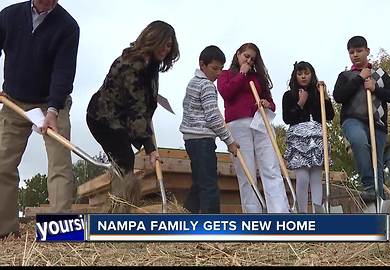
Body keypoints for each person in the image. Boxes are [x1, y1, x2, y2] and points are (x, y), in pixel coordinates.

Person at [0, 0, 79, 239]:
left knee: (59, 164)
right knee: (2, 163)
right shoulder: (9, 15)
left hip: (51, 102)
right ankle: (4, 229)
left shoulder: (68, 26)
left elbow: (63, 72)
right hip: (14, 100)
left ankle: (60, 232)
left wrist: (53, 110)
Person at [87, 20, 179, 175]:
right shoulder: (133, 65)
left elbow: (142, 102)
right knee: (125, 160)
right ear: (152, 40)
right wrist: (150, 148)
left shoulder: (151, 64)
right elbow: (136, 108)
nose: (165, 49)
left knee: (123, 159)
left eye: (169, 46)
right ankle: (124, 197)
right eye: (162, 44)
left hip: (120, 119)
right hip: (102, 118)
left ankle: (121, 193)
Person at [217, 42, 290, 213]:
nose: (249, 61)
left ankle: (279, 213)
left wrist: (267, 104)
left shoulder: (258, 78)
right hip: (237, 125)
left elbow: (271, 103)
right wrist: (241, 74)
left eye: (252, 59)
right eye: (246, 56)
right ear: (238, 55)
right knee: (246, 172)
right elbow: (226, 93)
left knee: (270, 167)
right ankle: (253, 216)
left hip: (259, 122)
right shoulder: (226, 74)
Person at [333, 36, 390, 203]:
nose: (355, 55)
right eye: (351, 52)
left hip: (378, 123)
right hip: (353, 120)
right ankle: (369, 187)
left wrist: (375, 88)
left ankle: (378, 202)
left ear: (367, 51)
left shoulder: (380, 74)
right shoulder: (346, 75)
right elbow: (339, 96)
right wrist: (359, 78)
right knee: (358, 140)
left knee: (375, 162)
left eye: (359, 51)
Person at [179, 45, 240, 214]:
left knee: (200, 182)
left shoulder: (193, 83)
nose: (219, 73)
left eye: (221, 69)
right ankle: (211, 227)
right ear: (202, 65)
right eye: (214, 68)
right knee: (209, 186)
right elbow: (213, 118)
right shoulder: (206, 85)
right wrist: (230, 141)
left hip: (191, 140)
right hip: (202, 140)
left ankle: (187, 215)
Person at [282, 61, 335, 213]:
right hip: (299, 139)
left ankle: (317, 212)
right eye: (300, 74)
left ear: (312, 75)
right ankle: (302, 213)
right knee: (303, 177)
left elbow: (329, 115)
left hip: (317, 138)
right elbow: (287, 118)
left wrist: (324, 96)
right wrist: (300, 103)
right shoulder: (288, 95)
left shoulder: (318, 94)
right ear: (295, 76)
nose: (303, 76)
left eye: (307, 73)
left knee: (317, 178)